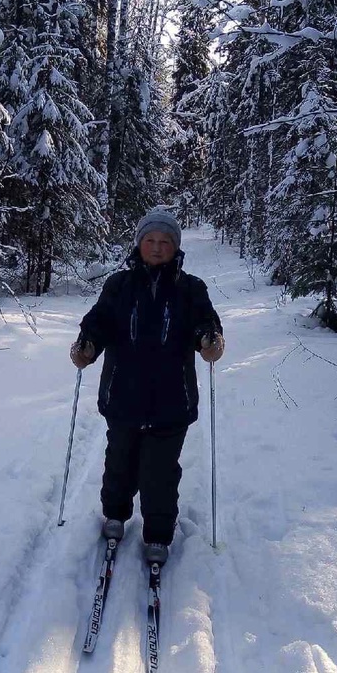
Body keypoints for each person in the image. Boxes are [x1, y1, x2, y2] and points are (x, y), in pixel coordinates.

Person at [70, 208, 224, 564]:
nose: (157, 248)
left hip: (172, 403)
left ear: (176, 247)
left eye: (165, 242)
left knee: (160, 474)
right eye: (150, 241)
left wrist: (210, 340)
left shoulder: (190, 289)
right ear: (139, 244)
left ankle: (157, 533)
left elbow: (206, 322)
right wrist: (86, 346)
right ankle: (115, 515)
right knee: (119, 464)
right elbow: (98, 321)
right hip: (123, 397)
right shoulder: (119, 285)